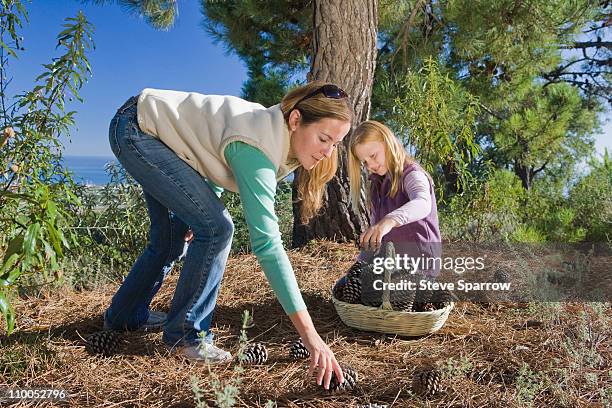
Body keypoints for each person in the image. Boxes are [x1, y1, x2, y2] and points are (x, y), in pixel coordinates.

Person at [103, 81, 352, 389]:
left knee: (173, 237)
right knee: (218, 229)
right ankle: (186, 336)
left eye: (335, 144)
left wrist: (201, 207)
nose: (328, 152)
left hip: (148, 127)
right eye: (324, 138)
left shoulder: (281, 137)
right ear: (296, 120)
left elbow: (212, 156)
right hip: (139, 130)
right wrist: (311, 336)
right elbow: (268, 244)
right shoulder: (259, 145)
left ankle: (125, 315)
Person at [347, 120, 441, 278]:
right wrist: (359, 267)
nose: (371, 165)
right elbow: (376, 237)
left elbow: (423, 203)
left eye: (373, 156)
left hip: (421, 268)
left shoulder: (412, 174)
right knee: (352, 287)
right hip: (393, 267)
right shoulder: (377, 184)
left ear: (387, 142)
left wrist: (389, 221)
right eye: (365, 162)